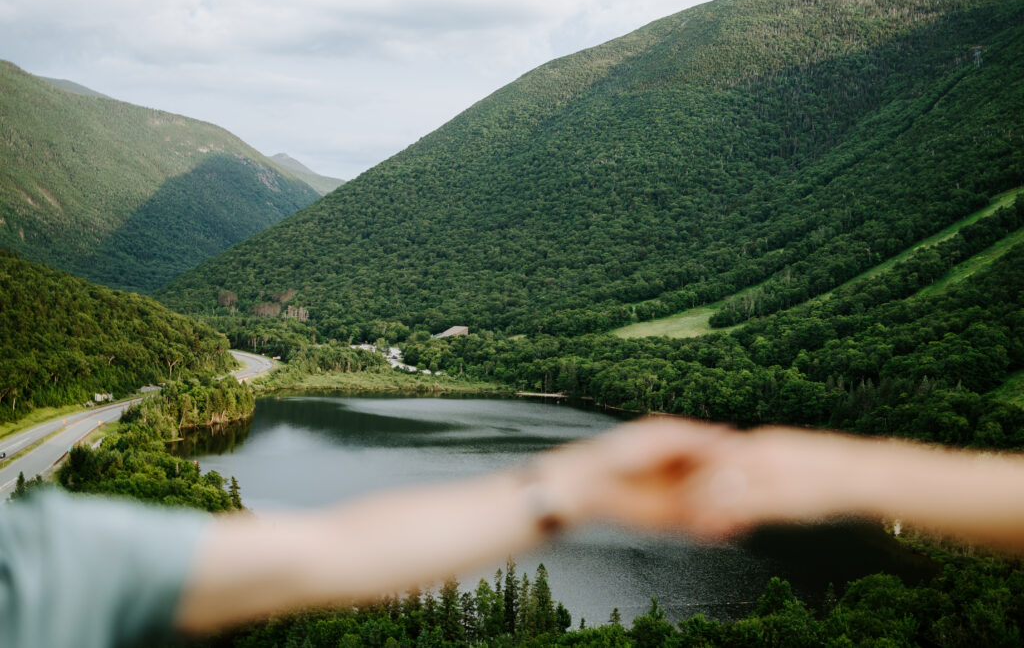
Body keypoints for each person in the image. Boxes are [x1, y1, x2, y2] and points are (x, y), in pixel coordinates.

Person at [5, 415, 1024, 646]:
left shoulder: (34, 567)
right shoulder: (38, 560)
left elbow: (332, 557)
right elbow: (329, 557)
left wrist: (564, 481)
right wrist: (869, 471)